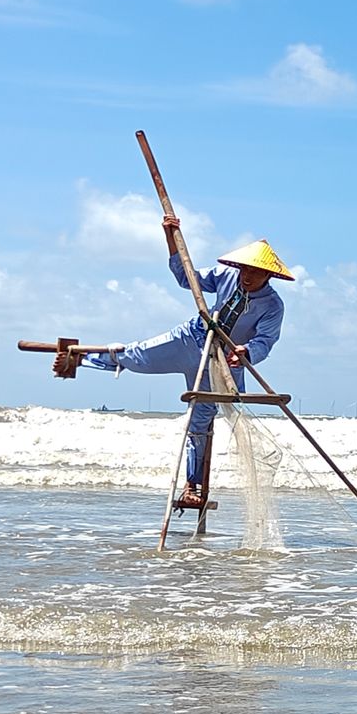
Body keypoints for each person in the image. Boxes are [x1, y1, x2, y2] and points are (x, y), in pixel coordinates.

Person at [64, 216, 292, 508]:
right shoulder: (225, 275)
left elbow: (264, 341)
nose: (248, 276)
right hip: (191, 337)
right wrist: (171, 236)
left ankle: (191, 485)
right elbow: (188, 278)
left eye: (256, 272)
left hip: (220, 360)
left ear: (268, 276)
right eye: (246, 268)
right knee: (137, 355)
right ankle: (80, 359)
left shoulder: (273, 306)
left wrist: (246, 352)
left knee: (200, 420)